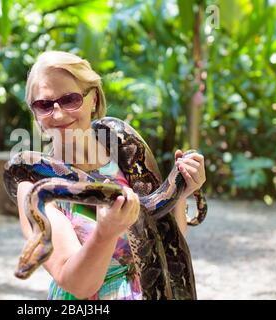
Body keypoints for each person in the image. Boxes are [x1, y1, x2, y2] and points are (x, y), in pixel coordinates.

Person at [16, 51, 206, 300]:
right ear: (34, 113)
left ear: (93, 98)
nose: (59, 114)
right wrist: (104, 234)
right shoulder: (34, 187)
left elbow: (168, 237)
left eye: (70, 99)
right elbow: (78, 285)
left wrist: (181, 190)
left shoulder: (123, 152)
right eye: (44, 105)